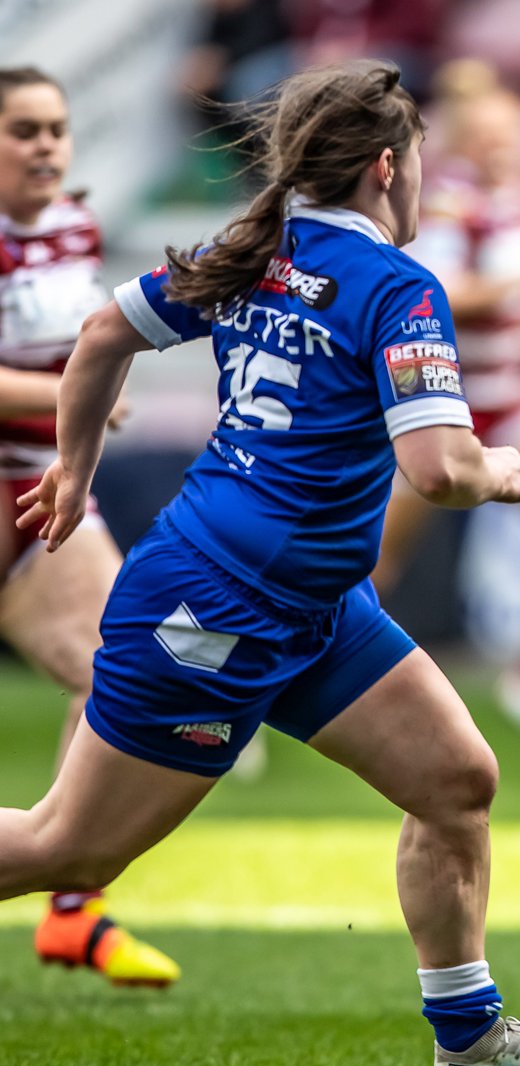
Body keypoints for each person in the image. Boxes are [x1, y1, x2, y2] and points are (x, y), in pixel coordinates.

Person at [9, 60, 520, 1066]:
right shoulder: (395, 286)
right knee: (73, 843)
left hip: (311, 605)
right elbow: (440, 470)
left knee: (455, 780)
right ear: (390, 166)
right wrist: (504, 471)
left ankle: (469, 1039)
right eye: (418, 159)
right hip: (216, 606)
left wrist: (76, 466)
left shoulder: (259, 251)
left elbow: (109, 331)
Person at [372, 60, 520, 776]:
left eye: (513, 133)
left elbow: (506, 302)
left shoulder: (518, 198)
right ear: (465, 140)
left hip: (513, 399)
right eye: (491, 134)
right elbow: (443, 290)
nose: (505, 145)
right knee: (373, 566)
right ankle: (279, 681)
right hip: (446, 408)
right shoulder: (449, 204)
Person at [0, 65, 179, 986]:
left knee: (118, 664)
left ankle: (73, 909)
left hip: (43, 488)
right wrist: (74, 393)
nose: (45, 146)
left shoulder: (73, 225)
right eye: (23, 129)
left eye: (56, 129)